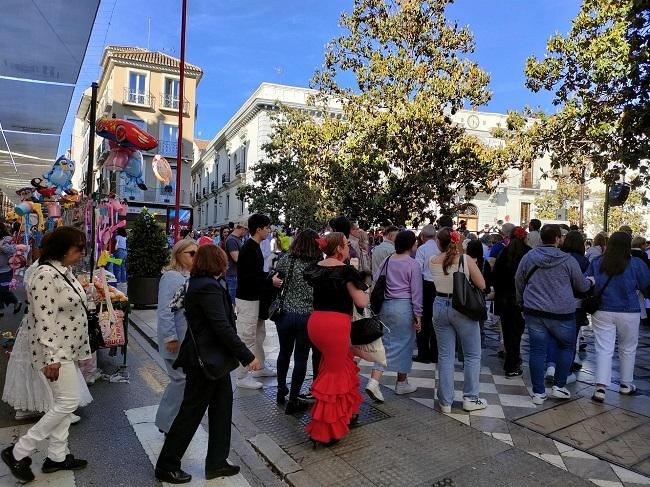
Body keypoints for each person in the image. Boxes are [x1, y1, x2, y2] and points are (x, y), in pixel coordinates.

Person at [155, 245, 261, 484]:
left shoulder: (206, 284)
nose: (226, 264)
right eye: (223, 260)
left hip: (214, 360)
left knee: (222, 409)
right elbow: (221, 326)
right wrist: (247, 356)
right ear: (217, 262)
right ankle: (167, 464)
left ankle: (217, 462)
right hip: (205, 360)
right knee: (191, 413)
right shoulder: (207, 287)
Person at [2, 227, 90, 483]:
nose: (81, 253)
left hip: (67, 348)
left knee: (62, 402)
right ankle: (18, 451)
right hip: (55, 351)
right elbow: (44, 320)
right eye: (78, 249)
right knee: (67, 403)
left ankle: (57, 456)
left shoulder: (64, 272)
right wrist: (51, 357)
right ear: (62, 249)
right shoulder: (44, 275)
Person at [3, 260, 92, 422]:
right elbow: (45, 310)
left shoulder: (37, 268)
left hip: (31, 327)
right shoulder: (46, 271)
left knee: (27, 367)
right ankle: (56, 410)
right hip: (46, 329)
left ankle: (27, 407)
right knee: (49, 370)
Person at [515, 224, 593, 405]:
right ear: (558, 239)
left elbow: (519, 280)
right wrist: (590, 282)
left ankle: (538, 392)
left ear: (541, 238)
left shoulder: (529, 257)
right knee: (566, 346)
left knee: (537, 350)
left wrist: (521, 302)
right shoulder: (568, 260)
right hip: (562, 312)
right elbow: (581, 285)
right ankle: (559, 386)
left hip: (534, 310)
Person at [303, 232, 368, 445]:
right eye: (347, 245)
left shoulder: (317, 267)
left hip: (316, 323)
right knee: (334, 372)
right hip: (335, 325)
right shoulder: (346, 271)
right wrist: (366, 289)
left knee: (338, 365)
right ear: (339, 249)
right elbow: (361, 302)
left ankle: (346, 413)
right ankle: (324, 431)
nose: (349, 248)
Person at [587, 232, 650, 402]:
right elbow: (646, 285)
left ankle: (600, 388)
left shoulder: (597, 262)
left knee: (603, 348)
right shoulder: (636, 264)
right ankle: (626, 384)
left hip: (603, 310)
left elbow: (588, 283)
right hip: (629, 310)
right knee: (628, 347)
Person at [430, 227, 487, 413]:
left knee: (445, 356)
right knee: (472, 355)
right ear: (457, 241)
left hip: (439, 305)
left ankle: (445, 401)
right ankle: (471, 398)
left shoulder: (433, 261)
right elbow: (482, 284)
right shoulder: (465, 259)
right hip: (462, 308)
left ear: (439, 242)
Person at [366, 231, 423, 402]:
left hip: (386, 306)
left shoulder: (388, 259)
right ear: (411, 245)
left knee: (385, 344)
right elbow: (416, 291)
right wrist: (418, 314)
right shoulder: (412, 265)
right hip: (404, 307)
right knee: (405, 344)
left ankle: (375, 380)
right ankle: (400, 382)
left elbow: (376, 278)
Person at [274, 230, 322, 414]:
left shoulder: (287, 259)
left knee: (284, 352)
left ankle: (280, 389)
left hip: (285, 314)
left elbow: (277, 279)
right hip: (307, 316)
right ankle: (293, 399)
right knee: (301, 357)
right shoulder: (318, 264)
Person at [155, 239, 197, 434]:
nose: (195, 257)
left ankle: (171, 421)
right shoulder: (172, 277)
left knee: (183, 381)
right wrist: (170, 337)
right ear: (178, 255)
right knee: (180, 381)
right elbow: (165, 310)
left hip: (185, 339)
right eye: (191, 253)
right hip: (176, 339)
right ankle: (167, 423)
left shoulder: (187, 275)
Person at [235, 214, 282, 389]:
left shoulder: (254, 246)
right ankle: (241, 376)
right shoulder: (249, 248)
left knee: (258, 334)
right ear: (259, 229)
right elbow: (248, 278)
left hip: (254, 298)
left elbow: (255, 274)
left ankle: (259, 366)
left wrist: (268, 277)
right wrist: (270, 281)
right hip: (247, 299)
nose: (269, 231)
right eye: (267, 227)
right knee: (247, 336)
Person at [492, 226, 531, 377]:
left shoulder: (504, 253)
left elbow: (495, 275)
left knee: (508, 332)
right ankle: (512, 364)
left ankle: (512, 359)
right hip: (519, 299)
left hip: (503, 298)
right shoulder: (528, 253)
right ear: (524, 237)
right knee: (516, 332)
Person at [414, 225, 439, 363]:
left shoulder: (422, 249)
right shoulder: (440, 248)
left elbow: (418, 269)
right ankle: (435, 353)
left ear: (422, 237)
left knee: (423, 319)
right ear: (435, 236)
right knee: (436, 320)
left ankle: (423, 353)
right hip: (439, 285)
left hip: (426, 285)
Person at [0, 224, 21, 315]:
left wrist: (1, 248)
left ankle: (16, 302)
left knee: (2, 289)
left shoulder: (8, 239)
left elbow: (13, 249)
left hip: (5, 269)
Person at [224, 222, 247, 304]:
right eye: (246, 231)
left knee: (235, 300)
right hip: (233, 275)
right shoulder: (232, 240)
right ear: (242, 229)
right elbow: (237, 259)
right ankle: (232, 316)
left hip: (235, 275)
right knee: (232, 301)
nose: (246, 234)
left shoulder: (236, 239)